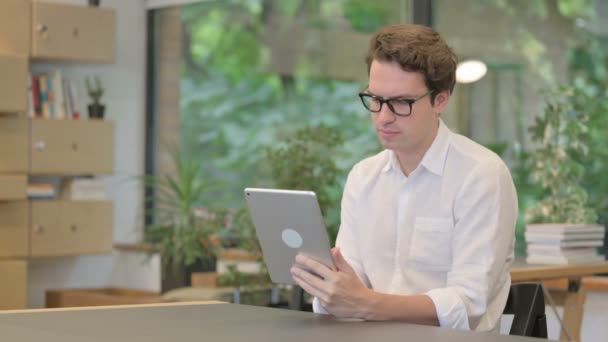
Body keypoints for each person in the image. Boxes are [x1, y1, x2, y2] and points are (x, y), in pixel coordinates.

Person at [290, 23, 517, 332]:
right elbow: (350, 288)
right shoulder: (364, 177)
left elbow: (468, 304)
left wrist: (365, 303)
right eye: (375, 99)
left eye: (401, 102)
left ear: (440, 100)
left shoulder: (481, 175)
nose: (383, 116)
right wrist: (331, 289)